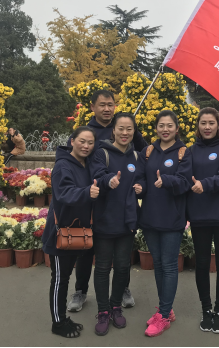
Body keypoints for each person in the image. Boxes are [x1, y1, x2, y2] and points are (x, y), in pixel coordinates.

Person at [66, 90, 147, 313]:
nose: (107, 109)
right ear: (92, 107)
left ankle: (123, 289)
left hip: (117, 203)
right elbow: (69, 156)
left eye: (110, 104)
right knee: (86, 251)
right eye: (102, 105)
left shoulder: (124, 128)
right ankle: (80, 290)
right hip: (89, 198)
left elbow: (147, 151)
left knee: (121, 257)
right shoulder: (86, 131)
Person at [136, 110, 192, 337]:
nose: (165, 129)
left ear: (176, 128)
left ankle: (164, 315)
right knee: (158, 264)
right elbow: (141, 177)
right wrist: (141, 187)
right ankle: (165, 309)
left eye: (169, 125)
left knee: (169, 265)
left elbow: (185, 182)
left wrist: (166, 180)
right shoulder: (148, 151)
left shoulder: (183, 152)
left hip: (172, 217)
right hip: (150, 216)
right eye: (161, 125)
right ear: (156, 128)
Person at [186, 108, 219, 334]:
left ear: (218, 125)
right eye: (203, 123)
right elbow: (184, 177)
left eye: (211, 123)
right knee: (201, 264)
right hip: (199, 215)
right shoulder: (190, 150)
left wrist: (205, 184)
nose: (207, 127)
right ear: (198, 126)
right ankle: (206, 309)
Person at [90, 113, 145, 336]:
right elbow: (98, 174)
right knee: (103, 267)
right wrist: (108, 180)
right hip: (105, 220)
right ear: (113, 130)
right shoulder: (101, 153)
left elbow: (143, 178)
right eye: (121, 128)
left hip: (127, 221)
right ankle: (103, 311)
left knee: (122, 267)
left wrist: (142, 187)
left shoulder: (137, 156)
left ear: (134, 132)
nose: (125, 133)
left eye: (129, 129)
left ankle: (115, 306)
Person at [41, 126, 98, 338]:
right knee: (60, 278)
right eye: (82, 141)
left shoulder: (86, 164)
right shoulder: (63, 165)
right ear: (72, 141)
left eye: (90, 143)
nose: (86, 146)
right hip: (61, 232)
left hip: (77, 231)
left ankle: (63, 318)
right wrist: (87, 192)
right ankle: (58, 322)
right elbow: (64, 193)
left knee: (64, 277)